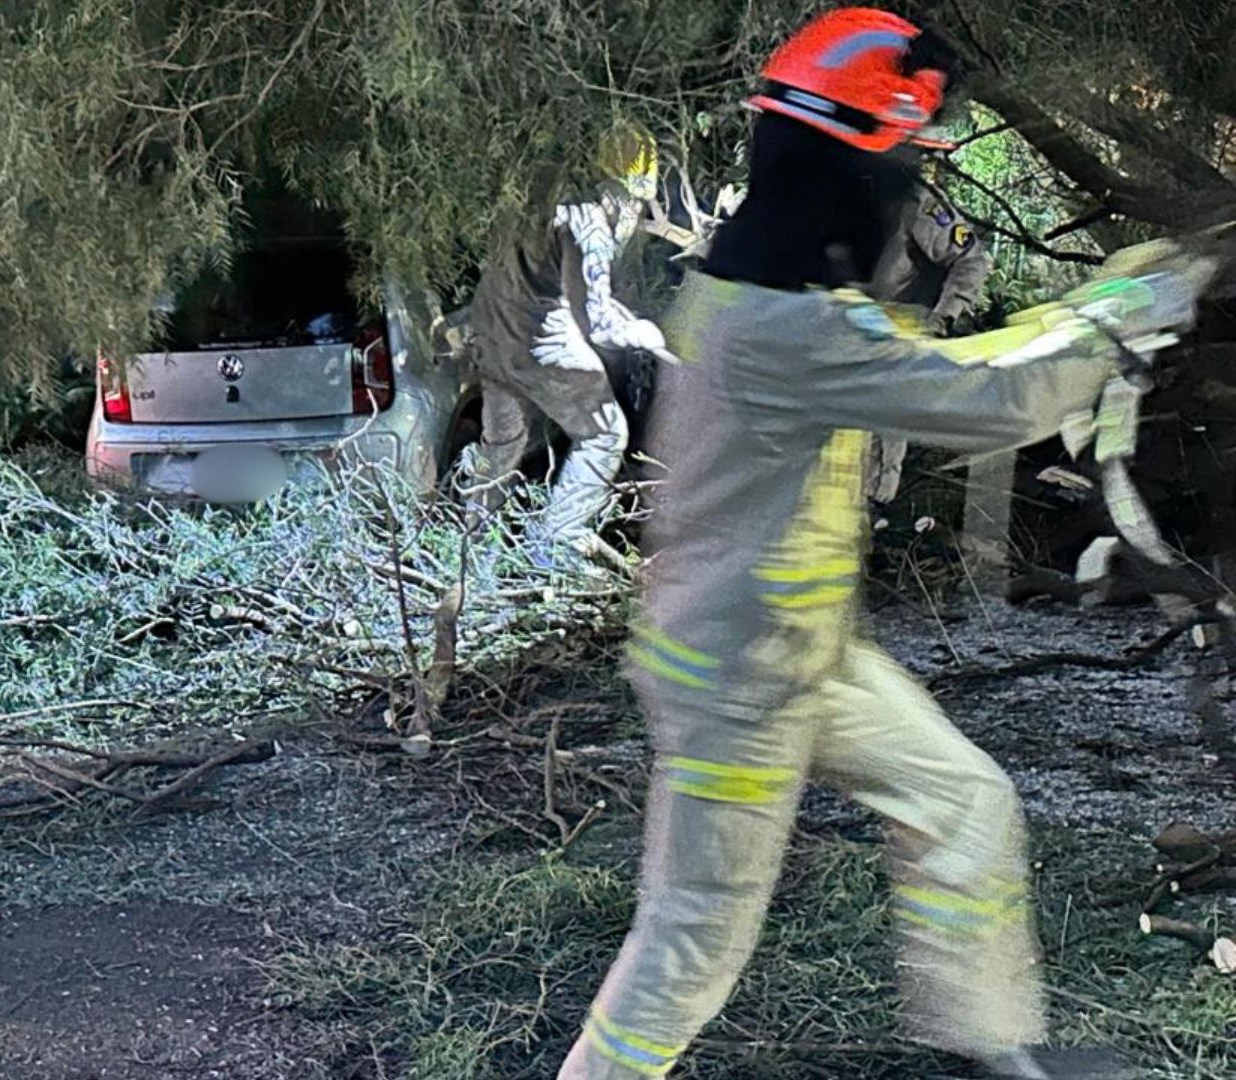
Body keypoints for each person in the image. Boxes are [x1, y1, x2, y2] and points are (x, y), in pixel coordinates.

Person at [555, 9, 1217, 1080]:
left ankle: (995, 1048)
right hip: (735, 680)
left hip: (798, 651)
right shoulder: (782, 327)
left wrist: (1100, 311)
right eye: (903, 160)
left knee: (963, 802)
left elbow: (955, 366)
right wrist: (1124, 307)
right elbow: (991, 398)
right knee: (694, 935)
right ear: (848, 168)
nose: (909, 187)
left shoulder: (775, 289)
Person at [463, 119, 666, 569]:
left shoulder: (533, 203)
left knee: (501, 448)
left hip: (493, 338)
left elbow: (569, 293)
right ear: (621, 190)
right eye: (635, 202)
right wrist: (646, 334)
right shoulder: (590, 225)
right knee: (605, 434)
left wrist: (621, 314)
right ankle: (555, 543)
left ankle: (470, 561)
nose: (635, 214)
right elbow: (596, 324)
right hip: (541, 343)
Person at [864, 170, 997, 504]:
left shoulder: (914, 200)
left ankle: (874, 508)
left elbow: (971, 260)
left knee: (875, 453)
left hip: (896, 337)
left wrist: (942, 317)